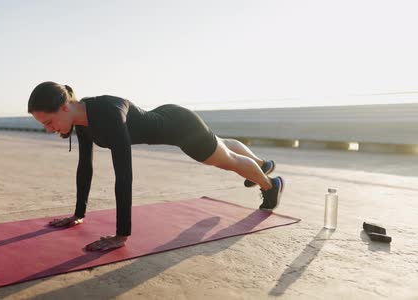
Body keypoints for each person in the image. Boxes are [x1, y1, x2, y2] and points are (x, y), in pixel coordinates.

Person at [28, 82, 283, 251]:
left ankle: (271, 184)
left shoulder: (108, 113)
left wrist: (121, 235)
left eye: (49, 122)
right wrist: (78, 214)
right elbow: (85, 167)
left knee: (227, 160)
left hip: (182, 129)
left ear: (65, 106)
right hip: (169, 116)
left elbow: (124, 175)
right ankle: (263, 164)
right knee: (221, 144)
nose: (49, 129)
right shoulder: (81, 120)